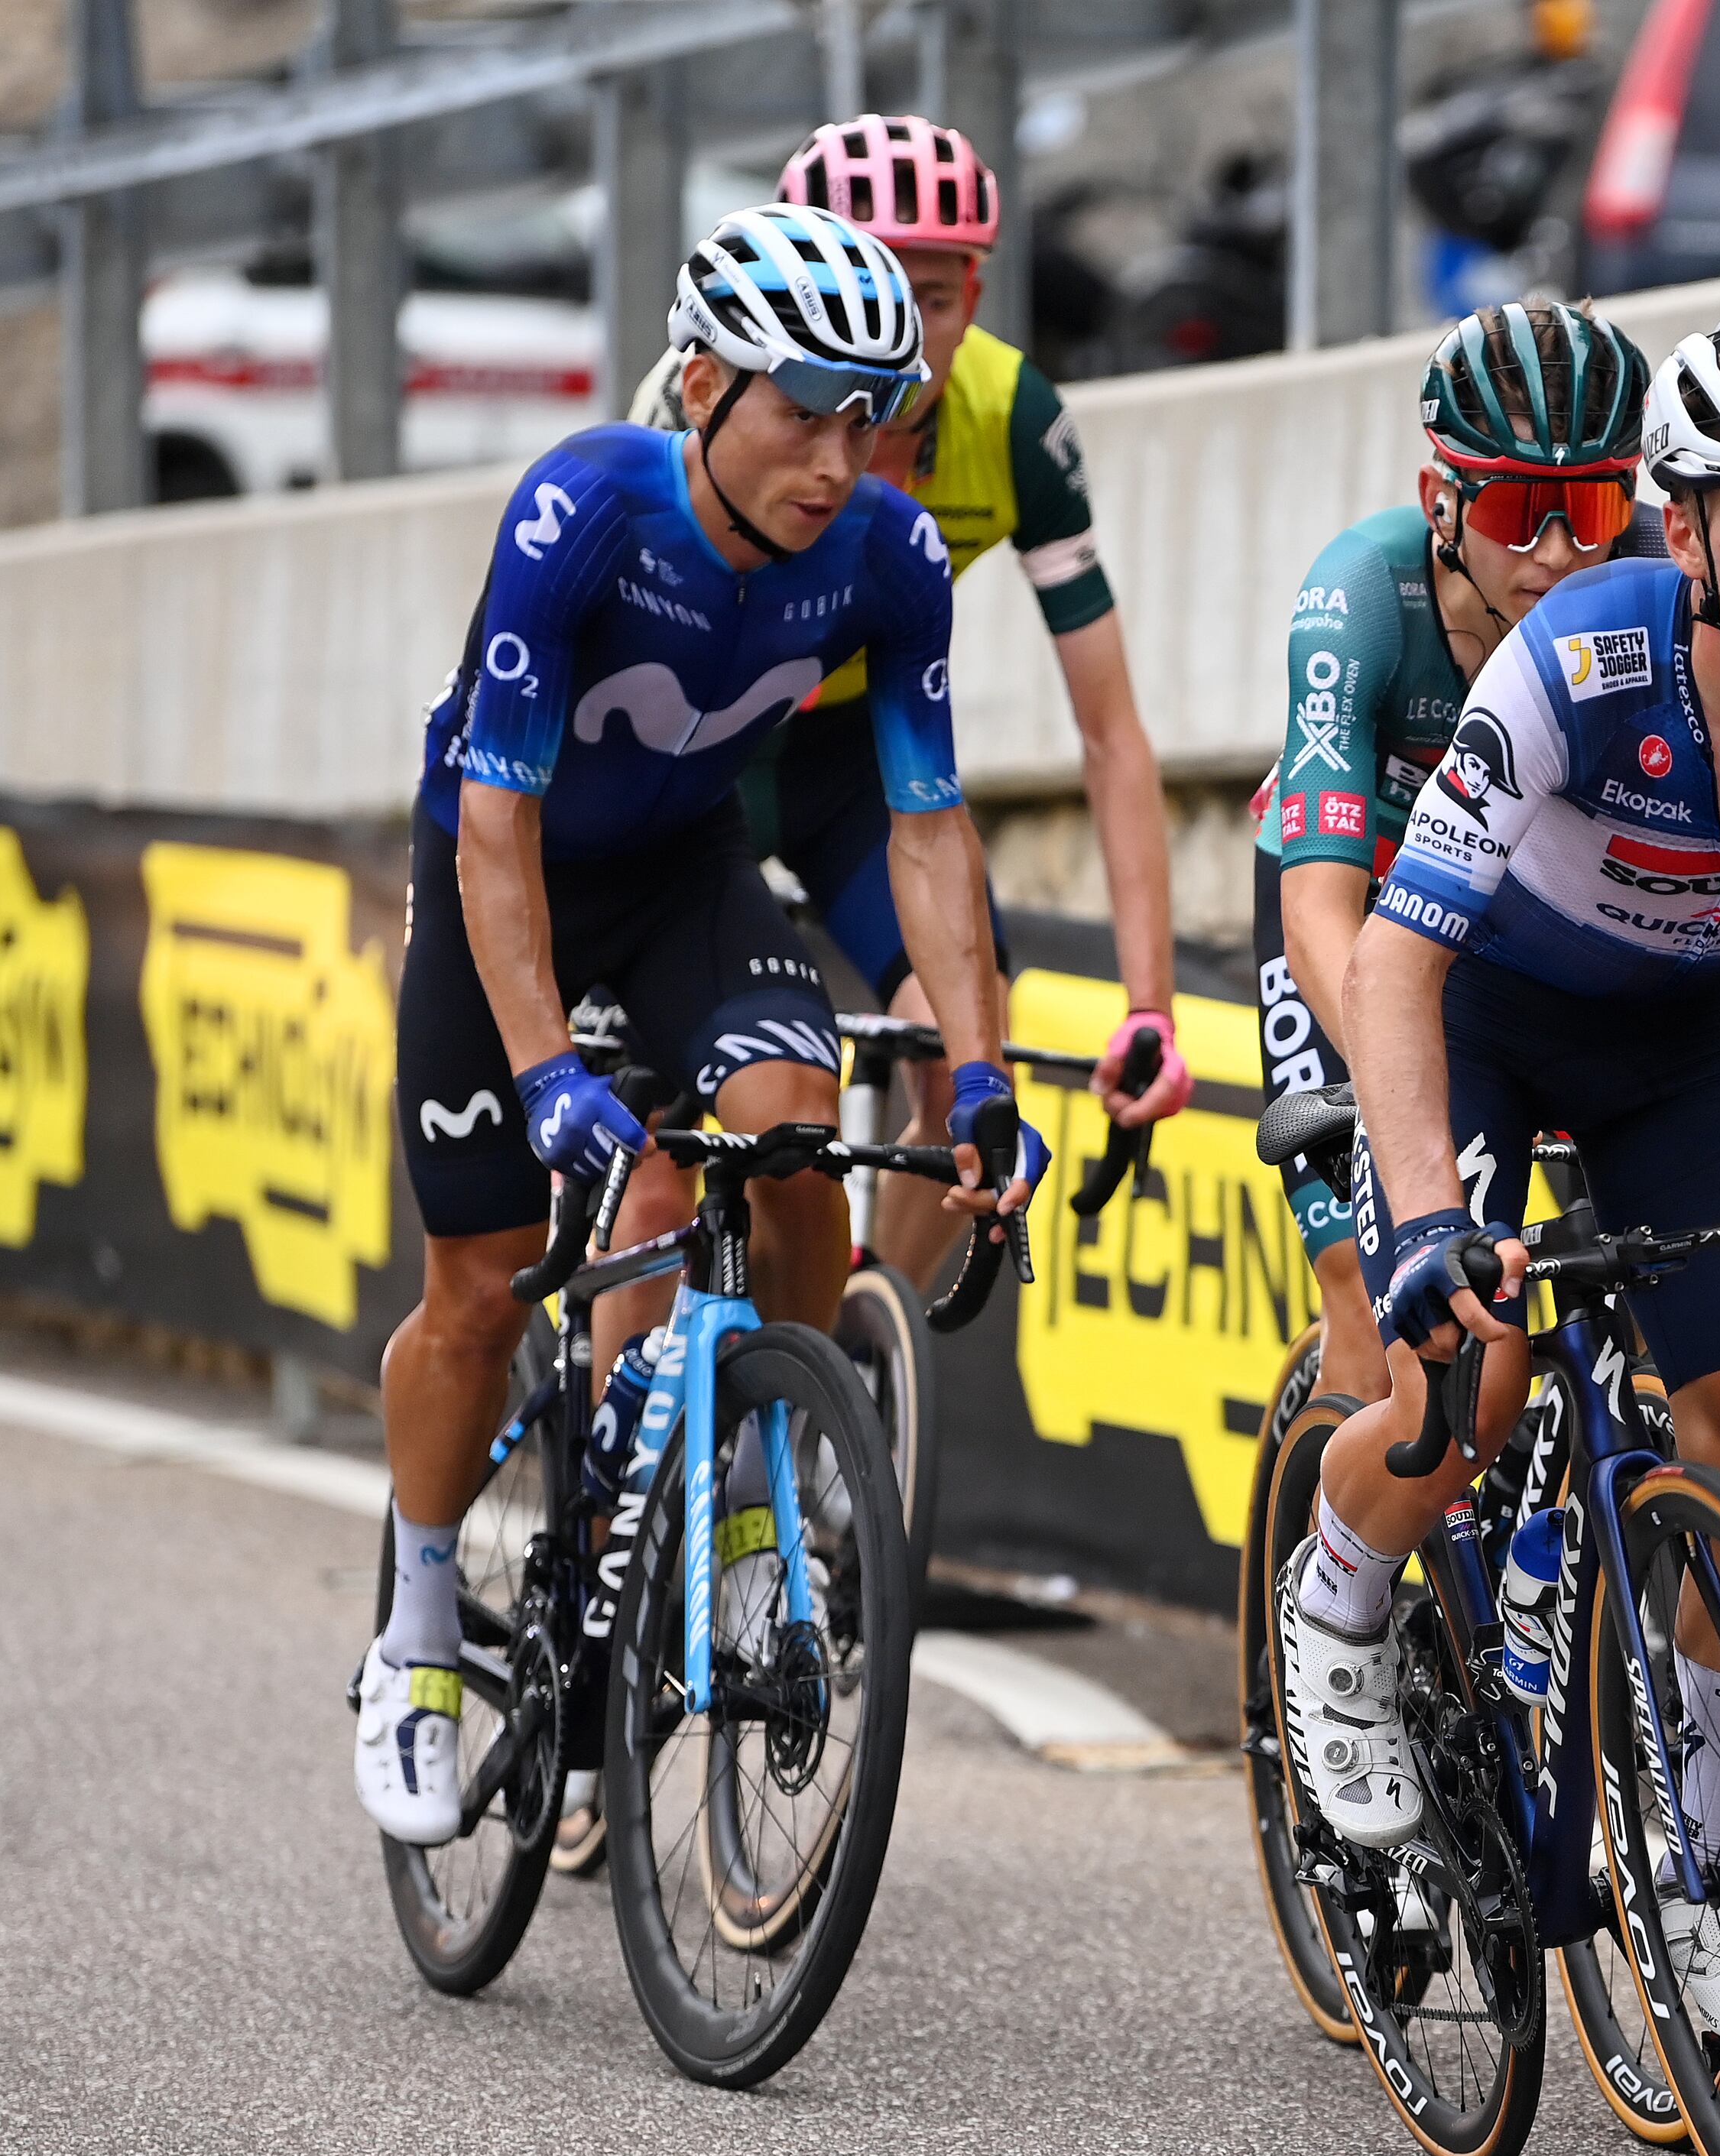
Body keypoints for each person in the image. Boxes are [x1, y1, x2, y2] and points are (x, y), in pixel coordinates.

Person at [1272, 309, 1720, 2043]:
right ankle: (1339, 1611)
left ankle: (1700, 1864)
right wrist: (1436, 1216)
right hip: (1484, 1015)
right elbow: (1386, 962)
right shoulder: (1572, 668)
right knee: (1474, 1357)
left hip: (1680, 1032)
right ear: (1681, 530)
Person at [355, 203, 1038, 1840]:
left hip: (681, 878)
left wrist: (984, 1059)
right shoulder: (584, 510)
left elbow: (929, 825)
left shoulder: (884, 553)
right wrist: (542, 1069)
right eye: (800, 407)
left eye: (867, 415)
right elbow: (495, 824)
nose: (834, 453)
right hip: (501, 884)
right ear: (704, 383)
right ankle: (419, 1626)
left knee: (797, 1132)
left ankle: (760, 1489)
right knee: (475, 1283)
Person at [1256, 300, 1720, 1406]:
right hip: (1378, 912)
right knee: (1386, 1312)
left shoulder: (1668, 578)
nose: (1558, 552)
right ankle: (1338, 1563)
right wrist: (1411, 1089)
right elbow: (1323, 907)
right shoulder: (1360, 595)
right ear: (1439, 503)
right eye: (1515, 508)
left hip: (1563, 928)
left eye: (1593, 505)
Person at [637, 115, 1189, 1280]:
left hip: (847, 761)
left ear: (979, 292)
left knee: (960, 1051)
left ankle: (845, 1354)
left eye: (931, 298)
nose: (896, 334)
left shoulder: (1014, 418)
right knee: (661, 1133)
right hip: (694, 752)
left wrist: (1152, 1003)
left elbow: (1110, 730)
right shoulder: (712, 396)